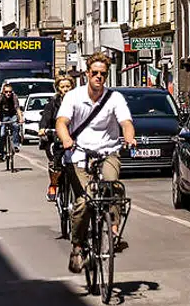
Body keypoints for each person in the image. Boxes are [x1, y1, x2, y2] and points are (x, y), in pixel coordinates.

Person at [56, 54, 137, 274]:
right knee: (85, 200)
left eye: (103, 74)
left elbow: (126, 122)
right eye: (95, 73)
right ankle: (78, 245)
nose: (99, 77)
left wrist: (129, 137)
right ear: (87, 74)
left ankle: (112, 232)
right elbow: (62, 122)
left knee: (113, 187)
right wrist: (66, 139)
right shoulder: (73, 96)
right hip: (79, 155)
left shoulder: (115, 98)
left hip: (107, 153)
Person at [39, 75, 76, 200]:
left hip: (73, 138)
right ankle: (53, 185)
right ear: (58, 89)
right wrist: (42, 128)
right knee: (56, 164)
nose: (65, 89)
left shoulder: (78, 102)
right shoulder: (53, 103)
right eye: (63, 87)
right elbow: (46, 116)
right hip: (56, 138)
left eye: (68, 86)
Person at [0, 83, 19, 158]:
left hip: (12, 115)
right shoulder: (0, 97)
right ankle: (1, 152)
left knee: (15, 126)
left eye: (10, 92)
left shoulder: (14, 96)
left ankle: (15, 145)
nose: (8, 93)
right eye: (6, 92)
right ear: (3, 92)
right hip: (3, 116)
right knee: (2, 134)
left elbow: (17, 108)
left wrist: (20, 118)